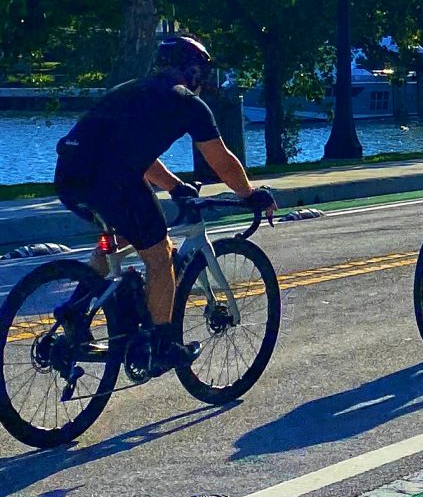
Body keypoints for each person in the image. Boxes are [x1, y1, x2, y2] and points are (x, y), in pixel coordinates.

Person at [54, 35, 273, 374]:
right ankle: (163, 345)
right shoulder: (187, 103)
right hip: (112, 179)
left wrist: (174, 186)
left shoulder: (134, 89)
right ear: (195, 73)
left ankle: (75, 308)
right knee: (159, 256)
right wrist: (248, 193)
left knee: (123, 238)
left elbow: (136, 154)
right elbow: (220, 160)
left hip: (69, 173)